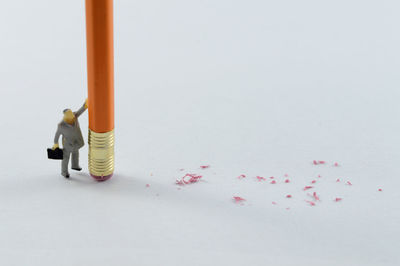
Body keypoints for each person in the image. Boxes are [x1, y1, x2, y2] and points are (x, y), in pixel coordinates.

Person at [52, 100, 88, 178]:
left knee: (76, 153)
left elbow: (80, 111)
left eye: (73, 118)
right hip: (67, 144)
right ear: (66, 118)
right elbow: (57, 136)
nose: (73, 119)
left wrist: (85, 105)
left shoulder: (74, 116)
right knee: (66, 158)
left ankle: (75, 165)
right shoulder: (61, 126)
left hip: (76, 141)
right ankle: (64, 172)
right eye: (70, 119)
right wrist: (56, 144)